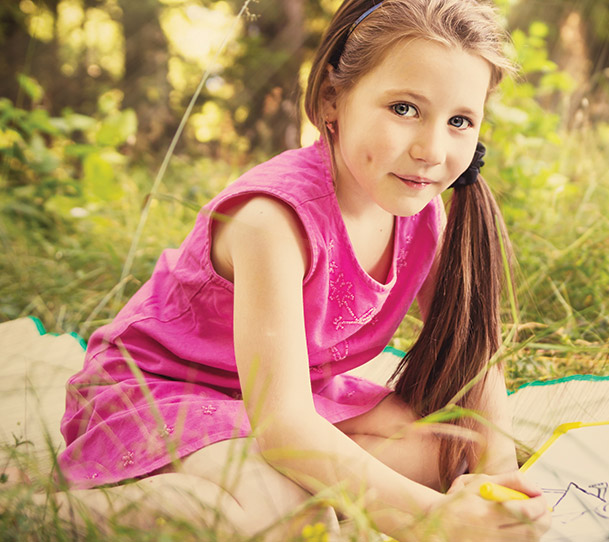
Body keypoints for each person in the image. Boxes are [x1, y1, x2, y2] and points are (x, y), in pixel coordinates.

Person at [53, 0, 551, 539]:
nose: (432, 150)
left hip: (273, 397)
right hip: (163, 396)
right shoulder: (272, 220)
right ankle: (54, 511)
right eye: (404, 108)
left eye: (459, 121)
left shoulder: (421, 212)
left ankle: (268, 483)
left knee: (451, 450)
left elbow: (474, 356)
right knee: (295, 519)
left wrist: (496, 479)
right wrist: (434, 520)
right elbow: (283, 425)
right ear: (333, 99)